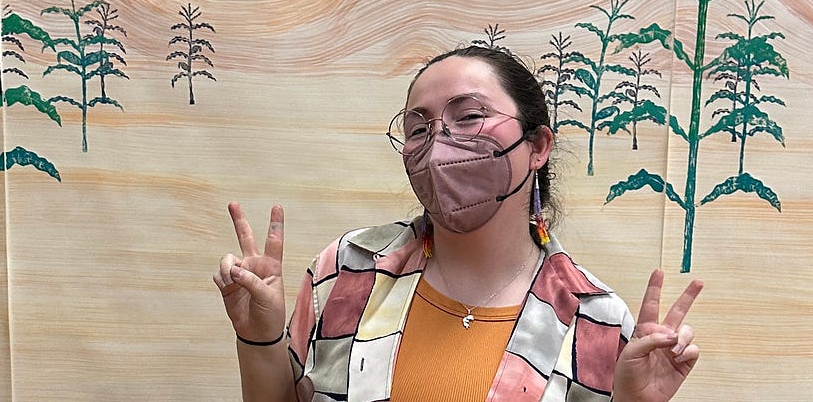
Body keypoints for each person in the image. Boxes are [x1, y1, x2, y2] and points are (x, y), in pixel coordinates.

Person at [213, 46, 704, 401]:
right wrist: (259, 339)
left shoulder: (597, 322)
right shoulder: (346, 270)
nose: (440, 142)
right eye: (418, 127)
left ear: (537, 147)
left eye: (469, 116)